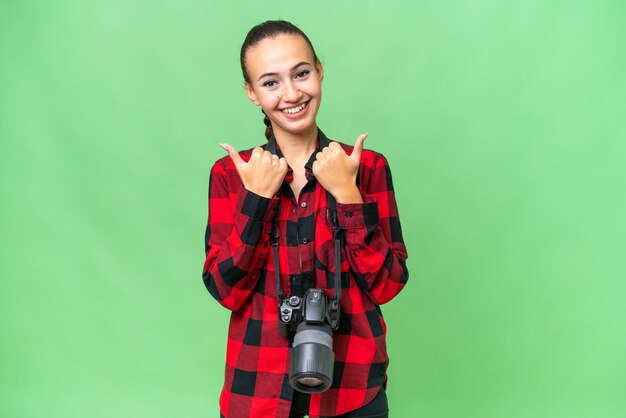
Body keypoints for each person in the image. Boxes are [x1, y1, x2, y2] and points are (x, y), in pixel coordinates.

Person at [202, 20, 409, 418]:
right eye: (270, 82)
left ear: (320, 70)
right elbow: (225, 290)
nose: (292, 94)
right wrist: (257, 198)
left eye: (301, 73)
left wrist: (348, 195)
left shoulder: (365, 167)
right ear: (251, 93)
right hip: (258, 387)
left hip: (353, 388)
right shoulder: (231, 175)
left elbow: (388, 285)